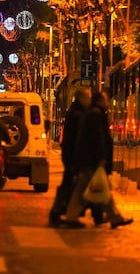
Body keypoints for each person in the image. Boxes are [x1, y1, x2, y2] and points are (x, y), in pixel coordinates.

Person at [63, 91, 133, 229]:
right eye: (106, 100)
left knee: (89, 189)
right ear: (100, 101)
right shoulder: (95, 115)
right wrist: (101, 157)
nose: (107, 103)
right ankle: (113, 217)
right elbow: (98, 139)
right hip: (92, 161)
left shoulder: (91, 114)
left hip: (87, 159)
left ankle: (113, 217)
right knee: (94, 189)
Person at [49, 88, 106, 227]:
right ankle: (59, 213)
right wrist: (77, 158)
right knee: (73, 186)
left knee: (78, 185)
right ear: (82, 99)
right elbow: (79, 139)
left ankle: (97, 213)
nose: (89, 100)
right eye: (87, 97)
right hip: (74, 156)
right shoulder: (79, 115)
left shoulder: (75, 113)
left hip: (71, 155)